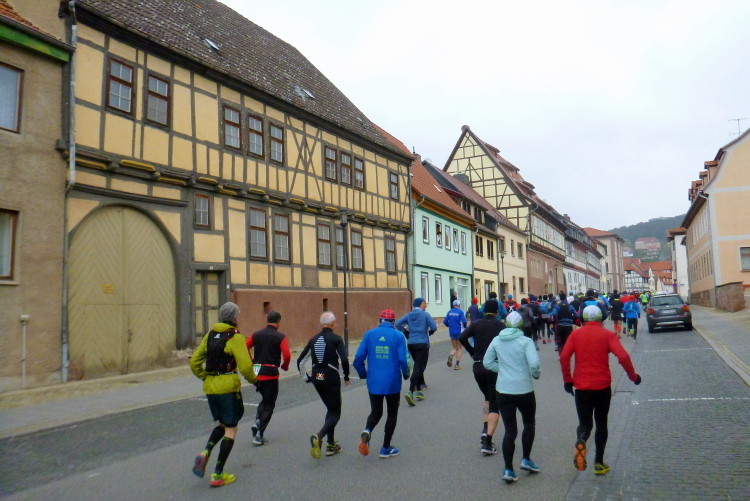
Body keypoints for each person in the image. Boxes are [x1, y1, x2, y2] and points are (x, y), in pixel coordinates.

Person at [559, 305, 642, 476]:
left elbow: (564, 357)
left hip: (581, 386)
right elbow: (623, 356)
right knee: (601, 422)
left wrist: (568, 381)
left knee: (585, 424)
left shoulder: (575, 335)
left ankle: (581, 439)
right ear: (601, 319)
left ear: (584, 318)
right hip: (602, 386)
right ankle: (598, 462)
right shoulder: (607, 335)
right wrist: (633, 376)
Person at [190, 302, 258, 488]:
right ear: (235, 318)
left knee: (222, 423)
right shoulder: (235, 337)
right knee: (231, 428)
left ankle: (205, 452)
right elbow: (245, 366)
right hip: (228, 387)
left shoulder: (210, 335)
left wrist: (204, 377)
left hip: (210, 387)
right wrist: (254, 380)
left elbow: (194, 362)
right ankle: (218, 473)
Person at [483, 311, 542, 483]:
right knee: (529, 423)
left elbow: (487, 362)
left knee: (510, 430)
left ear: (506, 324)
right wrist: (535, 374)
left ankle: (508, 469)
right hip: (524, 389)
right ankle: (526, 459)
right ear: (521, 325)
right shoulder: (525, 341)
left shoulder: (497, 340)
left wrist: (501, 370)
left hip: (503, 390)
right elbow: (534, 363)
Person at [353, 309, 410, 459]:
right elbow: (403, 359)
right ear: (393, 322)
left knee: (376, 411)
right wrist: (405, 374)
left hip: (374, 381)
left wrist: (363, 373)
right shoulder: (399, 336)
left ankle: (367, 430)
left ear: (380, 321)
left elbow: (358, 358)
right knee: (392, 413)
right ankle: (385, 448)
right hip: (392, 381)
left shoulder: (369, 334)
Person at [297, 311, 351, 459]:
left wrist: (306, 377)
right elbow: (344, 360)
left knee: (330, 409)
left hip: (317, 377)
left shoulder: (313, 339)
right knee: (335, 412)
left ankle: (331, 444)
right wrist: (346, 376)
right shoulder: (336, 339)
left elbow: (300, 361)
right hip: (331, 377)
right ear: (332, 323)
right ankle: (319, 436)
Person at [459, 299, 506, 455]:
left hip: (478, 366)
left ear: (484, 311)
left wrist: (471, 351)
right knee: (494, 403)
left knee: (487, 397)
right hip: (493, 366)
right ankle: (487, 442)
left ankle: (485, 429)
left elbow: (462, 337)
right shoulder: (500, 326)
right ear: (497, 312)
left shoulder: (476, 324)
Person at [245, 310, 291, 446]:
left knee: (265, 400)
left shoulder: (256, 334)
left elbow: (244, 347)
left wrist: (251, 361)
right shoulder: (280, 337)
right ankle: (259, 431)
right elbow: (287, 355)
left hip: (257, 371)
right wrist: (285, 366)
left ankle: (257, 423)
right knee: (270, 404)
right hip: (270, 372)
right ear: (278, 321)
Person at [396, 298, 437, 406]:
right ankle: (410, 391)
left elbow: (398, 323)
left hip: (411, 344)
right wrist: (430, 332)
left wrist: (405, 332)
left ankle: (419, 390)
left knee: (418, 365)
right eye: (424, 303)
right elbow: (434, 327)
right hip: (422, 343)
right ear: (419, 304)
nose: (426, 305)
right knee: (420, 366)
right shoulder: (425, 315)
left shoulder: (409, 315)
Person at [444, 300, 467, 370]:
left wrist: (449, 325)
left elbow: (445, 321)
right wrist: (465, 327)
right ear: (459, 305)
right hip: (460, 332)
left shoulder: (449, 312)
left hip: (452, 332)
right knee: (459, 348)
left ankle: (451, 355)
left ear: (453, 305)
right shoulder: (461, 312)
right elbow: (464, 321)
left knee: (454, 348)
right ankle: (457, 365)